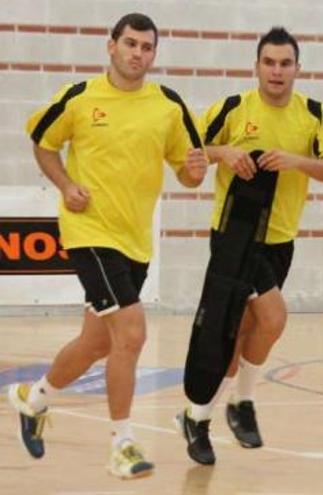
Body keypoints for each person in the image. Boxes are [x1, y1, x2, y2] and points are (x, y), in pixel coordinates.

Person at [7, 13, 207, 479]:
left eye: (147, 47)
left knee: (97, 341)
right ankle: (123, 444)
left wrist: (196, 171)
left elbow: (189, 173)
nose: (138, 53)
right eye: (131, 44)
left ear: (154, 54)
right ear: (111, 46)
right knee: (132, 334)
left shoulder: (169, 106)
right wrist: (65, 184)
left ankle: (32, 397)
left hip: (136, 241)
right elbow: (42, 142)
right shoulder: (79, 97)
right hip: (89, 232)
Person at [176, 26, 323, 465]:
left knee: (240, 334)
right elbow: (189, 151)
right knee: (274, 317)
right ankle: (242, 401)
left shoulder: (313, 114)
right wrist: (223, 153)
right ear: (256, 66)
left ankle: (197, 418)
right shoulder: (233, 108)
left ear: (297, 68)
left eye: (285, 63)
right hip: (235, 235)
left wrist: (295, 162)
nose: (276, 70)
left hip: (281, 238)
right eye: (269, 62)